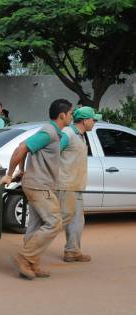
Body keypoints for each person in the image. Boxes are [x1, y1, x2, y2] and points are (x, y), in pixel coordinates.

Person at [2, 99, 73, 280]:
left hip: (39, 184)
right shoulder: (48, 132)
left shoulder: (51, 132)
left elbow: (25, 148)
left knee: (36, 225)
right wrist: (11, 173)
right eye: (71, 113)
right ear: (62, 115)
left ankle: (32, 263)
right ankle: (25, 257)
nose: (72, 116)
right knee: (54, 223)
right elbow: (22, 148)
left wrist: (22, 170)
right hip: (39, 186)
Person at [58, 106, 97, 263]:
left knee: (77, 221)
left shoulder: (80, 135)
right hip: (66, 185)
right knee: (58, 222)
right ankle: (31, 252)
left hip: (76, 185)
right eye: (93, 119)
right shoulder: (67, 134)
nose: (94, 122)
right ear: (85, 120)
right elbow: (51, 154)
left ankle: (72, 251)